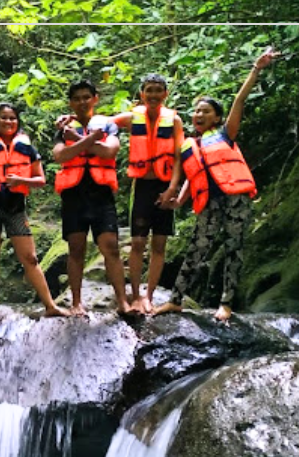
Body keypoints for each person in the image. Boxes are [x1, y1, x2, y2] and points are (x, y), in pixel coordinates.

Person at [155, 47, 280, 322]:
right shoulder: (189, 145)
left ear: (217, 118)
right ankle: (175, 301)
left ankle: (226, 304)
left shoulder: (226, 134)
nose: (198, 115)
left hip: (235, 200)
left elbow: (239, 99)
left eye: (206, 111)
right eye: (196, 111)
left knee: (234, 248)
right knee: (196, 249)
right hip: (208, 203)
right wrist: (180, 200)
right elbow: (193, 175)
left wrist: (256, 68)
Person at [0, 103, 69, 317]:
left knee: (30, 258)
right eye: (3, 117)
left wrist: (21, 180)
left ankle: (50, 306)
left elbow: (41, 180)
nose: (8, 122)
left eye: (12, 118)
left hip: (15, 208)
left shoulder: (27, 148)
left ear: (18, 121)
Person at [52, 80, 134, 317]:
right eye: (76, 98)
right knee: (75, 249)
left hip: (100, 193)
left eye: (86, 97)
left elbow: (109, 151)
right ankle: (76, 302)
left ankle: (122, 301)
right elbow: (61, 155)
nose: (82, 102)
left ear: (95, 98)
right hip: (74, 195)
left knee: (111, 247)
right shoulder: (62, 128)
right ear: (71, 103)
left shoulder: (106, 125)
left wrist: (76, 139)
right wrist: (87, 140)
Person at [110, 74, 184, 314]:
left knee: (159, 244)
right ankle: (135, 295)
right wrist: (72, 120)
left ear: (165, 94)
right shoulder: (133, 118)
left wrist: (172, 189)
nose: (153, 95)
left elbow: (178, 157)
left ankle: (149, 296)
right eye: (149, 90)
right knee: (138, 242)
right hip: (141, 186)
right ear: (142, 94)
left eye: (158, 90)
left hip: (164, 186)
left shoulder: (174, 120)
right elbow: (102, 122)